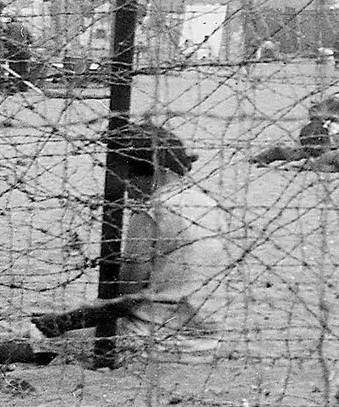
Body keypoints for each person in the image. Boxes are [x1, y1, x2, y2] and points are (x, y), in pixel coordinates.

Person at [31, 121, 228, 354]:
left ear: (152, 172)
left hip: (150, 338)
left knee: (33, 338)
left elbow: (126, 294)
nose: (125, 188)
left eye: (126, 177)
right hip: (205, 338)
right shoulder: (209, 205)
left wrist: (65, 320)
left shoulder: (150, 213)